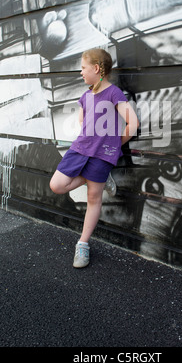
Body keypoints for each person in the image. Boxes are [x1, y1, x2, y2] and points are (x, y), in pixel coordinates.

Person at [50, 48, 139, 268]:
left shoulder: (113, 94)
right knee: (57, 185)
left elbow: (133, 123)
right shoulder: (85, 96)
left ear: (97, 69)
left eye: (83, 68)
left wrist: (113, 146)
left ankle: (82, 244)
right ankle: (98, 177)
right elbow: (83, 122)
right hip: (80, 149)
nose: (80, 73)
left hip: (102, 155)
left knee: (93, 198)